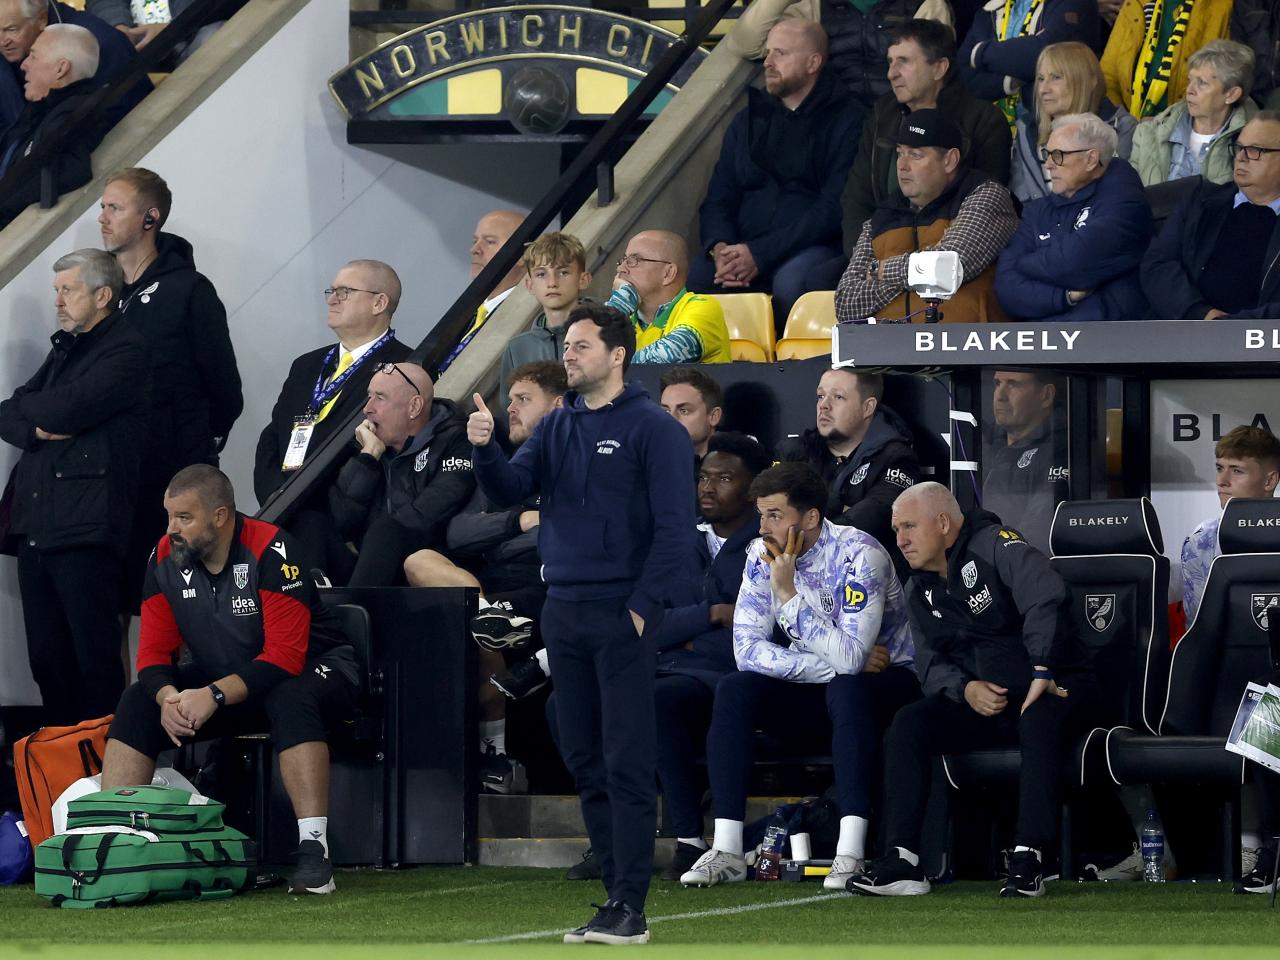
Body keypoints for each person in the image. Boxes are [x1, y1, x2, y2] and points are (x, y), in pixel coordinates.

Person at [468, 304, 695, 945]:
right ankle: (614, 897)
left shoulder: (655, 429)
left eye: (581, 345)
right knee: (585, 758)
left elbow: (677, 531)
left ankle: (631, 905)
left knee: (626, 758)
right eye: (566, 345)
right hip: (562, 609)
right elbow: (510, 488)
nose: (568, 354)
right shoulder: (557, 424)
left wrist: (642, 606)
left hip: (621, 610)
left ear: (617, 355)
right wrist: (484, 448)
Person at [99, 465, 359, 896]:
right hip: (232, 680)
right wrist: (168, 698)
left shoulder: (272, 550)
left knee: (290, 697)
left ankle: (315, 853)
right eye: (169, 516)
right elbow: (153, 656)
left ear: (220, 517)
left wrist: (213, 695)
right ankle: (114, 843)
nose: (171, 529)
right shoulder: (163, 556)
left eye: (184, 518)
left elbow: (284, 658)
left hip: (320, 668)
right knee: (137, 702)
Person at [848, 482, 1098, 898]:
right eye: (896, 530)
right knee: (909, 723)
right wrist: (965, 690)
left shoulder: (996, 545)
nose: (901, 540)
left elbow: (1045, 597)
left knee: (1038, 713)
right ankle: (902, 859)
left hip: (1058, 683)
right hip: (989, 700)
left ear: (943, 523)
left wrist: (1041, 668)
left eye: (909, 526)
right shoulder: (917, 588)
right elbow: (929, 661)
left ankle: (1030, 856)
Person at [680, 462, 918, 891]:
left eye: (775, 515)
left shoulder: (860, 554)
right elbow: (746, 651)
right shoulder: (761, 553)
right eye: (761, 515)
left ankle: (850, 852)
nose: (763, 527)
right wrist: (832, 661)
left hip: (887, 688)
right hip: (821, 684)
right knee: (735, 688)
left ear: (810, 517)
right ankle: (728, 849)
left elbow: (853, 664)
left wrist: (788, 594)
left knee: (847, 687)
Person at [558, 432, 772, 883]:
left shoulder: (767, 544)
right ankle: (609, 838)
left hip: (728, 677)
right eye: (704, 477)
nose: (708, 488)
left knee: (658, 700)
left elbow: (759, 633)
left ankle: (689, 839)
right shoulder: (673, 540)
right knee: (564, 703)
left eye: (724, 479)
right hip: (661, 665)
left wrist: (685, 637)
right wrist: (710, 615)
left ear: (753, 490)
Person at [0, 248, 149, 726]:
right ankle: (62, 764)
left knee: (93, 661)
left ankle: (106, 763)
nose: (58, 301)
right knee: (47, 660)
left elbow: (68, 408)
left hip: (86, 528)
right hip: (37, 525)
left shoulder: (127, 349)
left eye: (68, 290)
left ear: (102, 295)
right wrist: (38, 427)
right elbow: (8, 411)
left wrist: (38, 413)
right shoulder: (65, 348)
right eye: (56, 291)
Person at [403, 360, 567, 792]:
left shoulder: (574, 463)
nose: (510, 408)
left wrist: (505, 532)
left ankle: (494, 752)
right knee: (418, 559)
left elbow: (560, 535)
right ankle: (485, 611)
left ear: (558, 406)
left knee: (473, 628)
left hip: (544, 585)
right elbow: (459, 533)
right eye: (509, 399)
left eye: (523, 399)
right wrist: (520, 520)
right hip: (486, 582)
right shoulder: (502, 464)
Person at [99, 167, 243, 614]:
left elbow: (224, 387)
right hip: (115, 472)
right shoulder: (102, 294)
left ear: (151, 217)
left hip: (174, 470)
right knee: (115, 600)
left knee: (182, 600)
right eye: (102, 207)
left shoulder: (189, 290)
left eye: (115, 208)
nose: (102, 218)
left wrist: (188, 438)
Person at [690, 20, 861, 324]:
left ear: (813, 63)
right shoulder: (747, 120)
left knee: (792, 283)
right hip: (743, 246)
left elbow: (833, 209)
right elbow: (718, 198)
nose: (768, 62)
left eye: (780, 53)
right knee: (695, 278)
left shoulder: (849, 120)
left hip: (810, 246)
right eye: (768, 53)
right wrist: (721, 249)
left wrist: (760, 253)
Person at [833, 18, 1011, 275]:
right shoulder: (883, 115)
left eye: (903, 61)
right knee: (814, 280)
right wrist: (864, 259)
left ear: (939, 68)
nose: (891, 73)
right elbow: (856, 199)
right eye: (890, 62)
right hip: (882, 246)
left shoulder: (982, 120)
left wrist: (902, 267)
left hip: (950, 255)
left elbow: (987, 206)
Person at [835, 109, 1018, 325]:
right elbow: (845, 303)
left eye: (915, 155)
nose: (902, 165)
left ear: (950, 160)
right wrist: (921, 269)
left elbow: (949, 268)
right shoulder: (882, 216)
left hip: (968, 342)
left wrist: (878, 270)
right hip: (891, 343)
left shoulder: (985, 195)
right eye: (899, 153)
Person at [254, 260, 411, 507]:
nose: (331, 300)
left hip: (342, 509)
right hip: (280, 506)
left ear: (379, 303)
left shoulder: (404, 368)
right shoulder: (306, 364)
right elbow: (272, 435)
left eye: (344, 292)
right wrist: (273, 495)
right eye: (332, 291)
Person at [326, 361, 474, 586]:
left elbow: (429, 514)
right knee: (310, 522)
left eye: (380, 397)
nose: (367, 408)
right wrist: (368, 457)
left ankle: (354, 609)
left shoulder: (459, 440)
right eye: (369, 396)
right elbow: (341, 522)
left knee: (386, 529)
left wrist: (380, 539)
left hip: (428, 566)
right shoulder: (370, 445)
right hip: (372, 568)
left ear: (414, 407)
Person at [997, 112, 1152, 322]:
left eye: (1058, 155)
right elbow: (1007, 289)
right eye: (1047, 154)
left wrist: (1023, 263)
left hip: (1106, 335)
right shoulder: (1036, 211)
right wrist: (1065, 296)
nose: (1048, 164)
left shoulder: (1125, 200)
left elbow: (1075, 261)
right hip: (1042, 337)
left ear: (1091, 159)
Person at [1142, 112, 1280, 320]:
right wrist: (1200, 314)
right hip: (1185, 327)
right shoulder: (1200, 202)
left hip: (1261, 337)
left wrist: (1234, 325)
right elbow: (1157, 265)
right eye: (1239, 148)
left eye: (1254, 150)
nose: (1241, 157)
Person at [776, 368, 920, 555]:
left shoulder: (896, 458)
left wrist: (809, 515)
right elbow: (773, 520)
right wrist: (838, 505)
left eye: (838, 397)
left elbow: (868, 525)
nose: (824, 405)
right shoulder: (794, 452)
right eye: (820, 396)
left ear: (867, 407)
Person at [723, 0, 954, 112]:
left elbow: (934, 78)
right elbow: (746, 45)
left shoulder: (926, 3)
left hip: (900, 122)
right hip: (831, 122)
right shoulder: (815, 4)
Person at [0, 24, 104, 229]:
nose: (24, 65)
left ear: (61, 69)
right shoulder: (42, 108)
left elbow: (74, 169)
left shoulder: (75, 112)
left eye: (33, 56)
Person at [0, 0, 149, 138]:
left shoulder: (97, 45)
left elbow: (129, 119)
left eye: (11, 30)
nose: (2, 42)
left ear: (41, 19)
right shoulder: (10, 49)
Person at [1010, 42, 1137, 202]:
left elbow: (1121, 195)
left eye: (1056, 77)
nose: (1043, 89)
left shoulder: (1123, 128)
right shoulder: (1027, 132)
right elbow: (1021, 200)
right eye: (1041, 79)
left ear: (1088, 80)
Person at [1181, 425, 1280, 624]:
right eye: (1220, 468)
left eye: (1237, 470)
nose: (1222, 481)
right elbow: (1199, 626)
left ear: (1269, 481)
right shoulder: (1201, 539)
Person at [1131, 39, 1258, 187]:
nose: (1189, 90)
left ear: (1231, 94)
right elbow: (1130, 193)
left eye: (1202, 83)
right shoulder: (1147, 133)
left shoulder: (1253, 148)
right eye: (1190, 80)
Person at [608, 230, 731, 365]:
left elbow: (664, 357)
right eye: (624, 260)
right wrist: (617, 310)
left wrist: (618, 306)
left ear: (668, 273)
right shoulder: (625, 316)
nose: (621, 268)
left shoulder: (703, 307)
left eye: (634, 260)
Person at [979, 370, 1069, 553]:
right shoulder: (979, 443)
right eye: (998, 384)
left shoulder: (1064, 449)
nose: (1000, 396)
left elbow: (1037, 535)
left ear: (1046, 395)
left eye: (1013, 385)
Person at [1101, 0, 1232, 121]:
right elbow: (1108, 78)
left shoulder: (1223, 8)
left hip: (1188, 127)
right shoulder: (1137, 3)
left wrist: (1167, 126)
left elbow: (1221, 90)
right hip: (1129, 126)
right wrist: (1127, 125)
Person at [499, 232, 592, 394]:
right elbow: (512, 405)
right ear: (530, 285)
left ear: (583, 280)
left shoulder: (603, 334)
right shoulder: (518, 348)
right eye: (541, 274)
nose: (552, 283)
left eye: (563, 272)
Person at [957, 0, 1099, 106]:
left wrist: (980, 53)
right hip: (993, 123)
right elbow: (965, 73)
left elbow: (1045, 54)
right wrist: (1010, 82)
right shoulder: (989, 10)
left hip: (1051, 125)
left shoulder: (1075, 3)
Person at [437, 209, 527, 375]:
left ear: (522, 256)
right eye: (475, 240)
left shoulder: (526, 318)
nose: (474, 249)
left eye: (490, 241)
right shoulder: (464, 312)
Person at [86, 0, 223, 63]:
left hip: (199, 26)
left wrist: (173, 29)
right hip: (141, 45)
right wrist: (118, 27)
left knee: (214, 41)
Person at [660, 366, 724, 461]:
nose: (671, 420)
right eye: (666, 411)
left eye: (684, 411)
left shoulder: (736, 466)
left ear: (713, 416)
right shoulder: (648, 464)